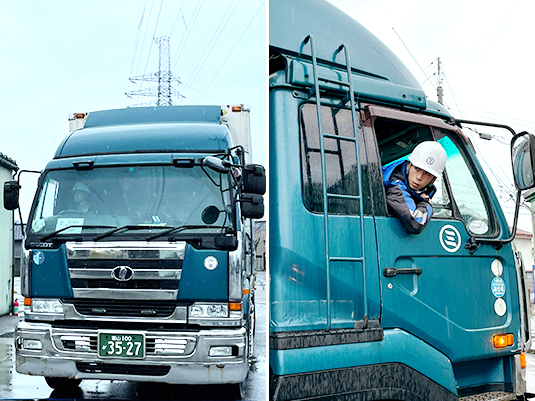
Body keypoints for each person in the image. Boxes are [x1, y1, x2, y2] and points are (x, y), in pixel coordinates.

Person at [382, 141, 447, 234]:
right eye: (417, 168)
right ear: (408, 166)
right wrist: (425, 203)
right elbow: (416, 223)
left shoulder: (416, 189)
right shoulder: (394, 185)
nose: (419, 177)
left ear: (433, 179)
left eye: (427, 173)